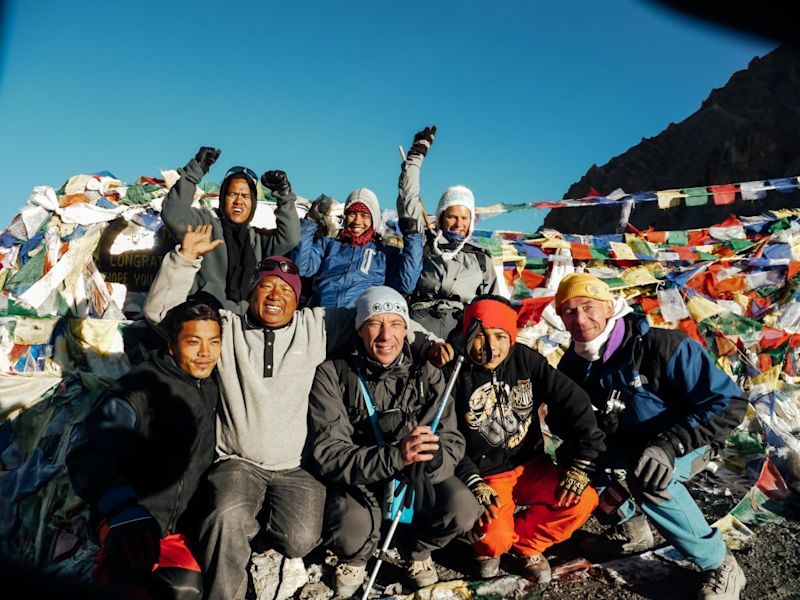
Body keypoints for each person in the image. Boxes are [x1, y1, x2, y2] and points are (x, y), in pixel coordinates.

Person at [143, 225, 447, 600]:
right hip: (239, 461)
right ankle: (227, 580)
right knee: (227, 516)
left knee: (301, 538)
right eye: (266, 287)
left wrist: (426, 341)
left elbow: (378, 313)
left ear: (298, 299)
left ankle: (248, 542)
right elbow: (161, 315)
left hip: (296, 467)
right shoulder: (227, 329)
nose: (276, 296)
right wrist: (183, 259)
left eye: (286, 290)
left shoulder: (316, 326)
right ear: (252, 293)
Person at [555, 273, 748, 600]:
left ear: (608, 306)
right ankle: (631, 528)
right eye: (569, 312)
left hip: (689, 439)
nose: (580, 319)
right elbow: (569, 421)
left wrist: (671, 444)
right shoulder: (574, 364)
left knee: (649, 477)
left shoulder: (662, 345)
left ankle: (719, 563)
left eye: (588, 306)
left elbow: (729, 403)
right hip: (628, 442)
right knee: (573, 461)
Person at [308, 286, 482, 597]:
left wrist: (435, 456)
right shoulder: (333, 373)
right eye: (375, 323)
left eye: (396, 323)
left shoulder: (427, 370)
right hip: (360, 479)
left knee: (463, 508)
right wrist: (394, 456)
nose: (386, 335)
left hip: (415, 477)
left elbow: (451, 436)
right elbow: (330, 454)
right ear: (360, 329)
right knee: (352, 527)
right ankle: (356, 557)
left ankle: (415, 550)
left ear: (407, 329)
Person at [67, 295, 224, 599]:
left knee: (189, 587)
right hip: (134, 520)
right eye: (193, 342)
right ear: (170, 344)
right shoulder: (137, 391)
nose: (206, 353)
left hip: (181, 527)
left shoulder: (215, 385)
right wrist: (123, 509)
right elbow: (88, 456)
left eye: (214, 342)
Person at [452, 295, 604, 583]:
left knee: (583, 499)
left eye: (500, 336)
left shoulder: (525, 359)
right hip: (486, 474)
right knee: (493, 539)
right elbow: (446, 437)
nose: (490, 346)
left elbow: (575, 401)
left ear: (511, 337)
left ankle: (527, 543)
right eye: (480, 336)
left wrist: (583, 460)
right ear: (467, 334)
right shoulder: (454, 372)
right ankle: (491, 544)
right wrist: (470, 479)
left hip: (531, 464)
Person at [160, 146, 300, 314]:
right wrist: (195, 170)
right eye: (232, 194)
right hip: (204, 319)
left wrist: (284, 196)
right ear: (222, 197)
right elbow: (173, 214)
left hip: (243, 325)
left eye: (246, 196)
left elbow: (290, 238)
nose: (238, 201)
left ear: (253, 203)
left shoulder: (257, 240)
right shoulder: (205, 225)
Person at [398, 126, 500, 339]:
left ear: (471, 221)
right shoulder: (425, 246)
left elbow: (492, 306)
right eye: (452, 216)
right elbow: (409, 201)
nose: (458, 223)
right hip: (418, 329)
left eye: (464, 218)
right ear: (441, 217)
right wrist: (416, 157)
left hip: (461, 333)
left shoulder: (480, 258)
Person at [292, 183, 422, 308]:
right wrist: (310, 222)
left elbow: (406, 284)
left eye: (365, 216)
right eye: (352, 214)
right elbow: (301, 268)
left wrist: (413, 237)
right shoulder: (328, 245)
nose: (357, 221)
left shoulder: (385, 252)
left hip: (359, 319)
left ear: (374, 219)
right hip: (322, 313)